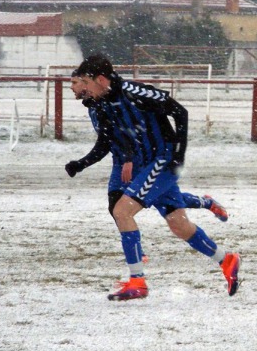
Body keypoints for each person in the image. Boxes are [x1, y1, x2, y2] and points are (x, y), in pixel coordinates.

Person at [73, 55, 239, 300]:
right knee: (179, 226)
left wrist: (178, 156)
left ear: (100, 79)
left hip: (161, 161)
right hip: (143, 164)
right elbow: (117, 136)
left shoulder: (134, 91)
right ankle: (227, 260)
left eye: (85, 82)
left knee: (122, 211)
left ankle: (137, 281)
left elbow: (179, 112)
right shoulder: (104, 100)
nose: (83, 88)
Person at [66, 70, 229, 224]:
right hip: (120, 161)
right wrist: (82, 164)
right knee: (120, 207)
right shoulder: (94, 106)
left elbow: (124, 134)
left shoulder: (111, 101)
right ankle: (205, 203)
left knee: (149, 201)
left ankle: (204, 203)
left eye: (75, 82)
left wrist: (128, 157)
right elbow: (107, 140)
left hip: (137, 159)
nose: (71, 87)